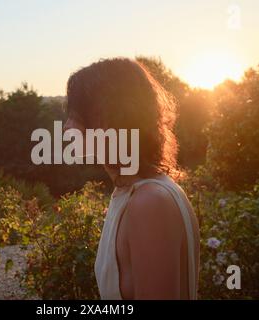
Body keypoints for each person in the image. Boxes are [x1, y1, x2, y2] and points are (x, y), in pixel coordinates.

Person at [64, 58, 200, 299]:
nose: (66, 128)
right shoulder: (134, 193)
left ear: (112, 117)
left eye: (77, 115)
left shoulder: (150, 203)